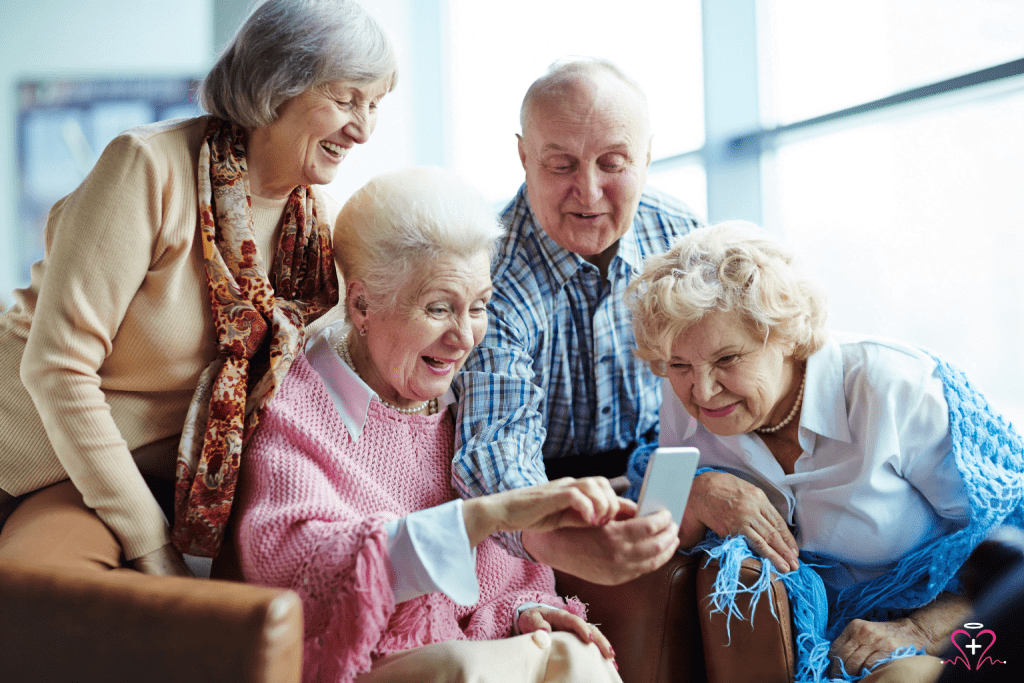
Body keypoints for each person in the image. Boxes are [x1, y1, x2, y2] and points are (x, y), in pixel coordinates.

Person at [0, 0, 396, 576]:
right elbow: (57, 368)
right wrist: (153, 545)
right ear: (274, 84)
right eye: (345, 100)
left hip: (147, 480)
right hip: (27, 460)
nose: (362, 129)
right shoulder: (148, 169)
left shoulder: (315, 232)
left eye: (375, 105)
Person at [237, 167, 623, 683]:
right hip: (360, 663)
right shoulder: (296, 404)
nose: (465, 337)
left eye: (480, 306)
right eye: (439, 308)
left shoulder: (467, 404)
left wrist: (522, 609)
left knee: (578, 654)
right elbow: (294, 564)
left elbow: (505, 578)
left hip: (467, 655)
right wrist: (477, 519)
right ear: (362, 304)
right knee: (460, 667)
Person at [625, 221, 1024, 682]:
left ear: (787, 335)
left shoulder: (892, 389)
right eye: (678, 365)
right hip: (816, 651)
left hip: (957, 635)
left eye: (727, 359)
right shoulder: (686, 401)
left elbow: (1011, 551)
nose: (705, 390)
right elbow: (650, 526)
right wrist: (696, 493)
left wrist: (916, 628)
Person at [452, 57, 702, 585]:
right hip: (544, 492)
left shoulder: (684, 237)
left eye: (613, 163)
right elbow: (494, 444)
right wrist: (554, 532)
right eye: (561, 165)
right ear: (524, 156)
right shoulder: (484, 271)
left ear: (648, 156)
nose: (588, 192)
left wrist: (706, 480)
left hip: (666, 468)